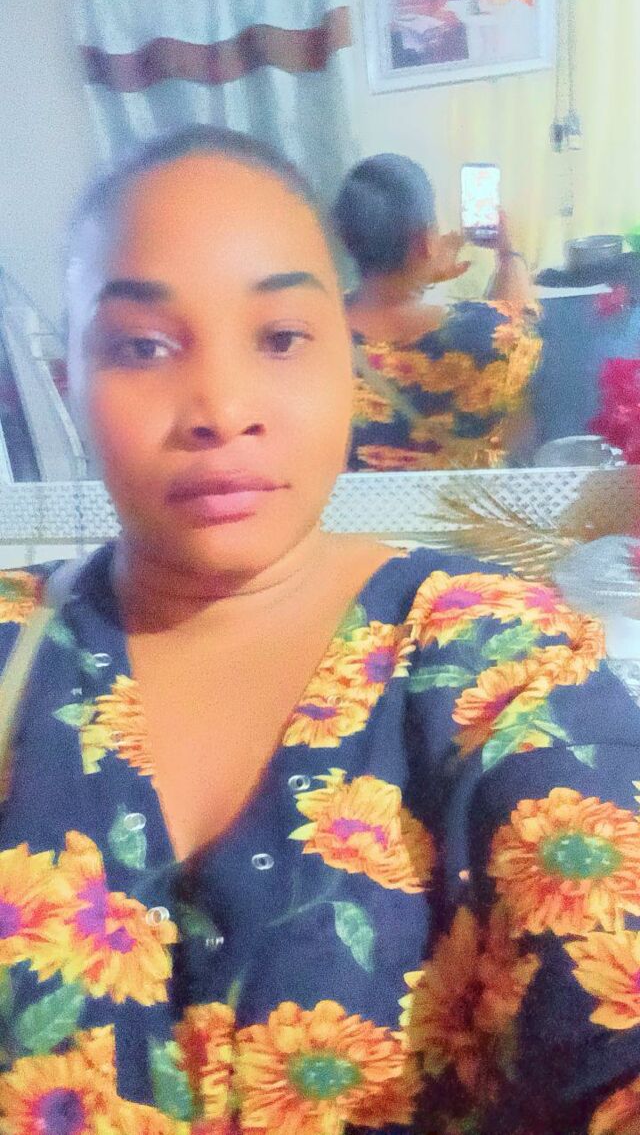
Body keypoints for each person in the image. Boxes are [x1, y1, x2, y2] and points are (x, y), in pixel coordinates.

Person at [0, 125, 638, 1135]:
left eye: (281, 336)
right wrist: (505, 254)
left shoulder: (498, 656)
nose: (220, 409)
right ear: (69, 382)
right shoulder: (15, 642)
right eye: (142, 345)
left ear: (352, 358)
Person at [333, 153, 542, 471]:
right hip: (463, 503)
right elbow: (520, 315)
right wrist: (507, 252)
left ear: (345, 240)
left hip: (350, 505)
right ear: (425, 241)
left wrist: (419, 273)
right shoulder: (484, 332)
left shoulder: (314, 331)